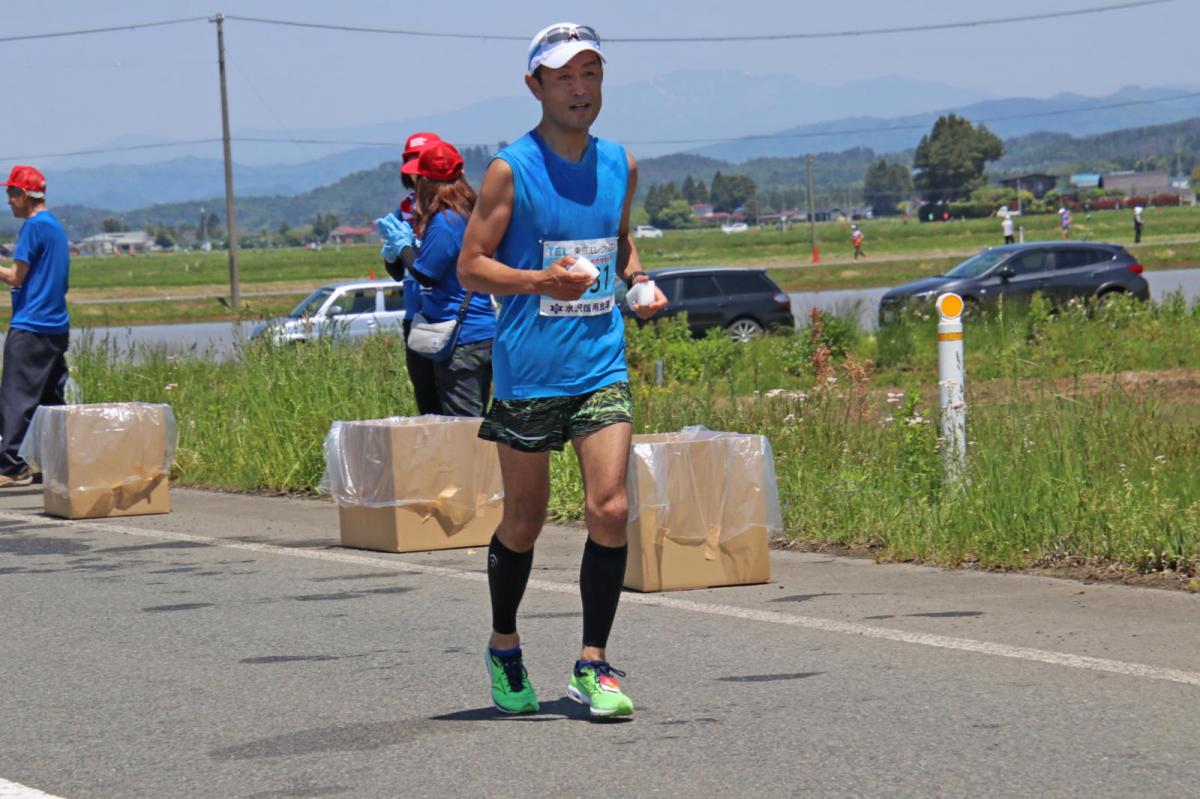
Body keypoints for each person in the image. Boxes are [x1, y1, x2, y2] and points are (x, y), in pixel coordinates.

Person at [458, 22, 667, 719]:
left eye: (592, 74)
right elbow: (470, 265)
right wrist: (539, 280)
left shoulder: (621, 164)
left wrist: (637, 281)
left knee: (610, 508)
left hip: (601, 362)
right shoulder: (509, 169)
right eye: (565, 76)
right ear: (536, 86)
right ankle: (505, 644)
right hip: (528, 372)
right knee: (526, 518)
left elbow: (620, 238)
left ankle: (593, 662)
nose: (581, 89)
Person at [388, 140, 495, 417]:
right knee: (475, 416)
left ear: (425, 181)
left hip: (460, 334)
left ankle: (473, 463)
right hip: (479, 329)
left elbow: (427, 275)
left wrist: (403, 247)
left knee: (464, 424)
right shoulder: (469, 212)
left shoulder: (445, 221)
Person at [0, 166, 70, 486]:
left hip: (30, 324)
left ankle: (11, 466)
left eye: (11, 194)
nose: (9, 202)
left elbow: (16, 277)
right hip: (56, 327)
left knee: (16, 396)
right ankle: (55, 463)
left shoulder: (32, 227)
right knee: (50, 400)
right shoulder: (55, 226)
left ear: (25, 195)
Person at [379, 132, 442, 414]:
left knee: (454, 401)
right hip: (414, 313)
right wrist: (392, 253)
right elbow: (396, 272)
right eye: (412, 164)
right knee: (426, 397)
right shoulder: (404, 208)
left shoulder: (451, 205)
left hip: (448, 311)